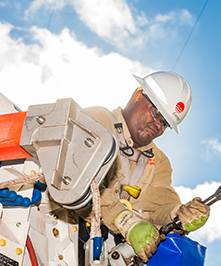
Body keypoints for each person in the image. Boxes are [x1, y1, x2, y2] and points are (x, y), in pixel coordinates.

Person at [84, 71, 210, 263]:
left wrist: (178, 214)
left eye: (165, 123)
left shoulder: (159, 161)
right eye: (156, 113)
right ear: (138, 95)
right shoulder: (98, 120)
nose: (158, 126)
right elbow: (78, 178)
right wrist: (124, 220)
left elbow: (159, 205)